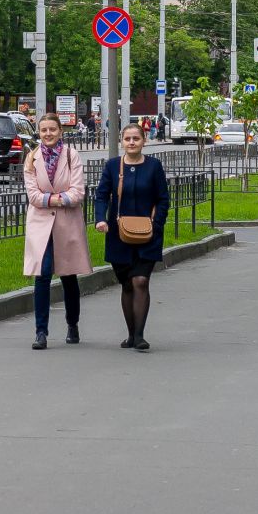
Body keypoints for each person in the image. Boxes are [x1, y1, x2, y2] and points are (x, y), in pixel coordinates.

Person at [94, 121, 171, 351]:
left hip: (148, 234)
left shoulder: (154, 166)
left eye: (136, 139)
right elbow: (101, 196)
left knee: (141, 280)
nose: (131, 143)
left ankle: (139, 336)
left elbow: (163, 199)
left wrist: (156, 225)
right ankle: (130, 334)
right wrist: (101, 219)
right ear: (122, 141)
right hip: (119, 235)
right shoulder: (112, 166)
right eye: (127, 139)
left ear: (143, 141)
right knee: (127, 284)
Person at [22, 115, 88, 350]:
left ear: (61, 131)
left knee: (68, 275)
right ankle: (41, 332)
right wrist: (59, 198)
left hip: (67, 223)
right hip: (40, 225)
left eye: (52, 129)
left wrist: (50, 199)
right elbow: (33, 197)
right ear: (38, 133)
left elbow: (78, 192)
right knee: (43, 274)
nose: (47, 134)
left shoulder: (71, 156)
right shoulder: (32, 158)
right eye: (43, 130)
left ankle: (73, 324)